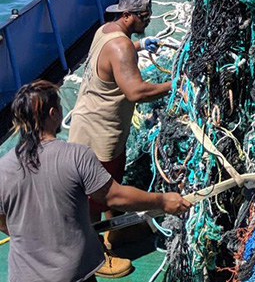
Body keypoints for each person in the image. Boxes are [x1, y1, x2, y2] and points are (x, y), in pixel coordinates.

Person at [0, 80, 190, 282]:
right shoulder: (75, 155)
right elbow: (115, 197)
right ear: (54, 113)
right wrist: (162, 201)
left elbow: (2, 221)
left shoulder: (3, 168)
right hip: (73, 274)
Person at [69, 0, 170, 205]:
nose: (147, 21)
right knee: (99, 196)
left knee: (108, 185)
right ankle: (100, 236)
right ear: (126, 15)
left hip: (85, 122)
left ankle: (114, 230)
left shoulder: (105, 31)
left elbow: (113, 54)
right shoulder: (121, 47)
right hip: (101, 135)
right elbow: (136, 92)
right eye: (143, 17)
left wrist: (141, 45)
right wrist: (175, 84)